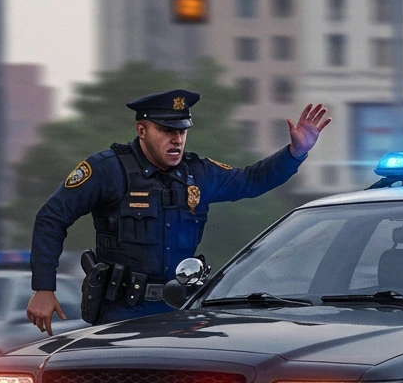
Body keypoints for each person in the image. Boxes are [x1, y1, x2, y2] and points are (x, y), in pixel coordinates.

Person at [26, 90, 331, 332]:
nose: (177, 139)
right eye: (166, 130)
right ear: (141, 129)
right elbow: (52, 218)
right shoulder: (108, 169)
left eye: (182, 130)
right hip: (121, 312)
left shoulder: (197, 173)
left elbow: (251, 180)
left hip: (181, 308)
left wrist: (295, 153)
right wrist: (43, 287)